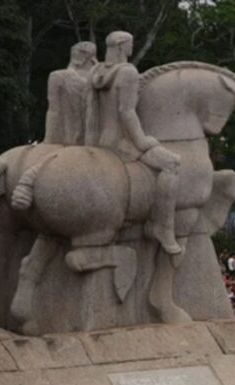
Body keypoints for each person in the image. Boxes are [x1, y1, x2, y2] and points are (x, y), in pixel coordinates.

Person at [85, 30, 182, 256]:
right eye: (130, 43)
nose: (132, 47)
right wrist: (142, 140)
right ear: (121, 46)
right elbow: (126, 112)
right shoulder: (128, 72)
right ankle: (162, 227)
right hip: (121, 142)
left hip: (99, 140)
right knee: (171, 164)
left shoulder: (96, 72)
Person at [44, 42, 97, 145]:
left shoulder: (100, 77)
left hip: (91, 134)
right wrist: (49, 139)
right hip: (70, 132)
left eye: (81, 52)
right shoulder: (58, 76)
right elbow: (53, 109)